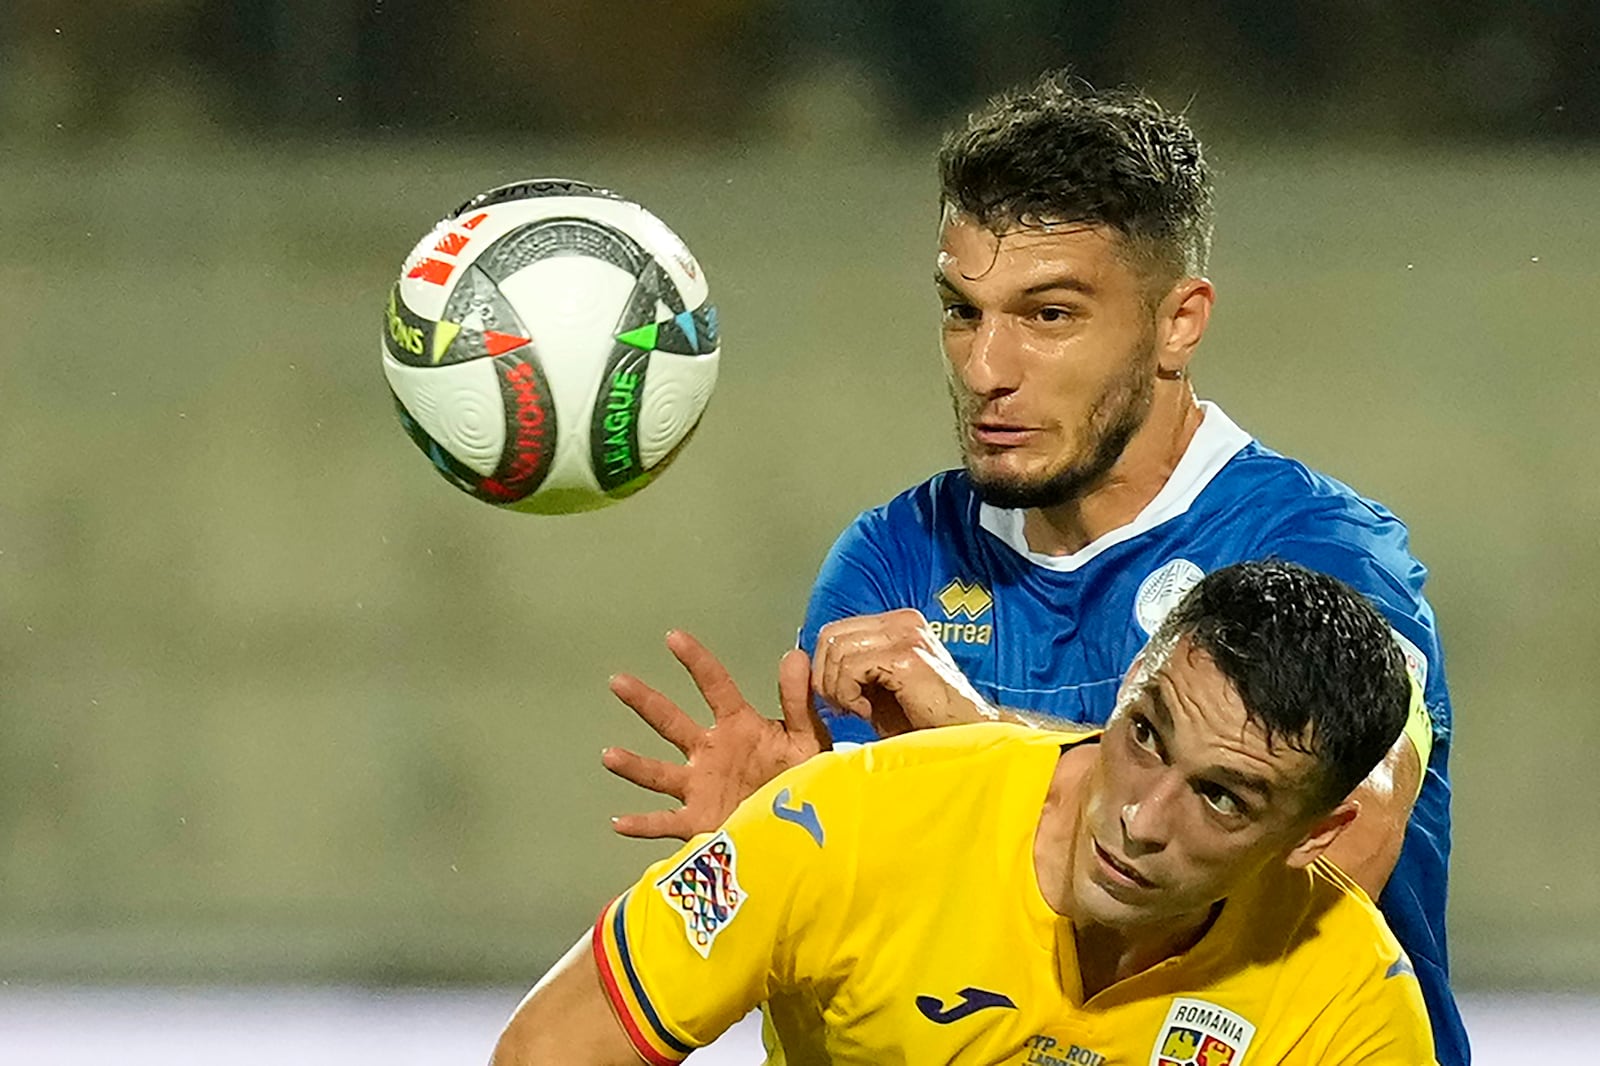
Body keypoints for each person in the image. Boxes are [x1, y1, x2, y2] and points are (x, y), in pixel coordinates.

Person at [599, 73, 1466, 1063]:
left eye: (1048, 315)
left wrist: (970, 744)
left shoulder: (1320, 558)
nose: (985, 366)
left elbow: (1349, 846)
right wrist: (797, 849)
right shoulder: (893, 559)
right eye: (962, 311)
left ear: (1177, 322)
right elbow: (915, 945)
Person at [495, 562, 1435, 1065]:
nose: (1142, 818)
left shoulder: (1351, 1005)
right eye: (1145, 734)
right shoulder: (849, 823)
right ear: (1126, 689)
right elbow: (548, 1053)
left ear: (1316, 838)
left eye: (1222, 797)